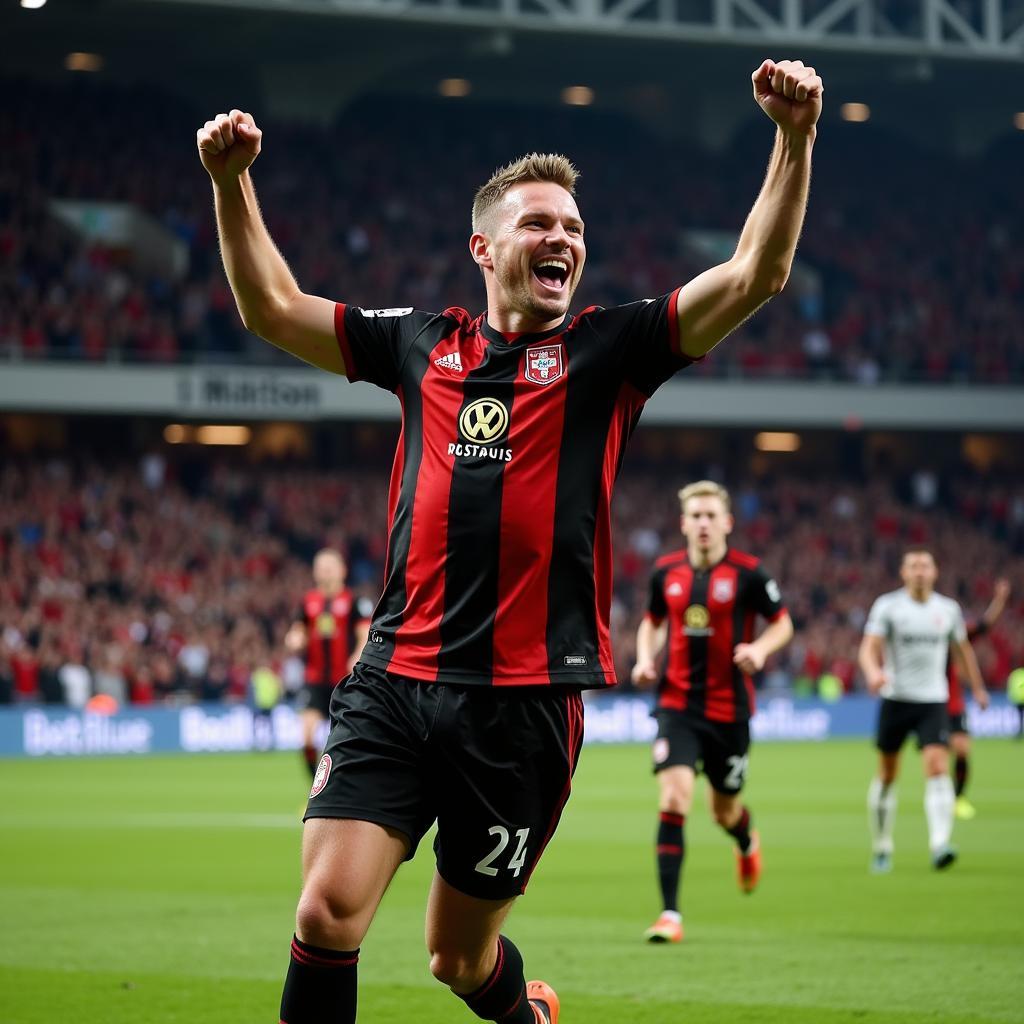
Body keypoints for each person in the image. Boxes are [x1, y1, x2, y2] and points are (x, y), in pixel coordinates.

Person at [197, 57, 823, 1024]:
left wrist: (794, 137)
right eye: (538, 223)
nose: (561, 237)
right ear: (485, 249)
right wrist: (231, 185)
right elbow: (270, 309)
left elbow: (758, 274)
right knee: (326, 911)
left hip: (523, 707)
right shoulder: (419, 343)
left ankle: (521, 1011)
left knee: (456, 956)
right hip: (395, 678)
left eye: (573, 226)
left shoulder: (609, 352)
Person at [631, 481, 793, 944]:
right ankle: (670, 915)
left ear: (727, 522)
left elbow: (783, 624)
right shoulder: (666, 572)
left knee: (724, 811)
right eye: (695, 516)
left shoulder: (749, 573)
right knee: (674, 798)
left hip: (729, 711)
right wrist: (646, 658)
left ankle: (746, 839)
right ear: (684, 523)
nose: (703, 523)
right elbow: (653, 621)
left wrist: (759, 649)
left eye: (710, 516)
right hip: (676, 705)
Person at [859, 549, 989, 874]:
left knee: (937, 766)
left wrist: (977, 687)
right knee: (888, 775)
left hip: (933, 701)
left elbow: (963, 651)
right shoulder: (888, 606)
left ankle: (939, 844)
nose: (919, 571)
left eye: (925, 566)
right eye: (913, 566)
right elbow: (868, 648)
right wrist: (873, 673)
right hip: (896, 699)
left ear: (935, 572)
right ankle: (882, 846)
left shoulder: (947, 610)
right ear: (903, 573)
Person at [285, 549, 371, 779]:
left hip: (344, 681)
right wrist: (294, 639)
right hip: (315, 680)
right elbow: (297, 630)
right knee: (306, 737)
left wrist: (356, 656)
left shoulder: (355, 602)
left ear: (342, 570)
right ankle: (315, 788)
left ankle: (345, 784)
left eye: (329, 567)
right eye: (320, 568)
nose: (325, 573)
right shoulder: (308, 602)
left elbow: (364, 633)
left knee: (345, 740)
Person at [946, 578, 1010, 819]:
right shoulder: (925, 633)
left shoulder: (958, 634)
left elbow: (985, 624)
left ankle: (958, 799)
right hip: (926, 701)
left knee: (962, 749)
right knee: (937, 758)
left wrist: (1000, 600)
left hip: (952, 701)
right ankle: (941, 798)